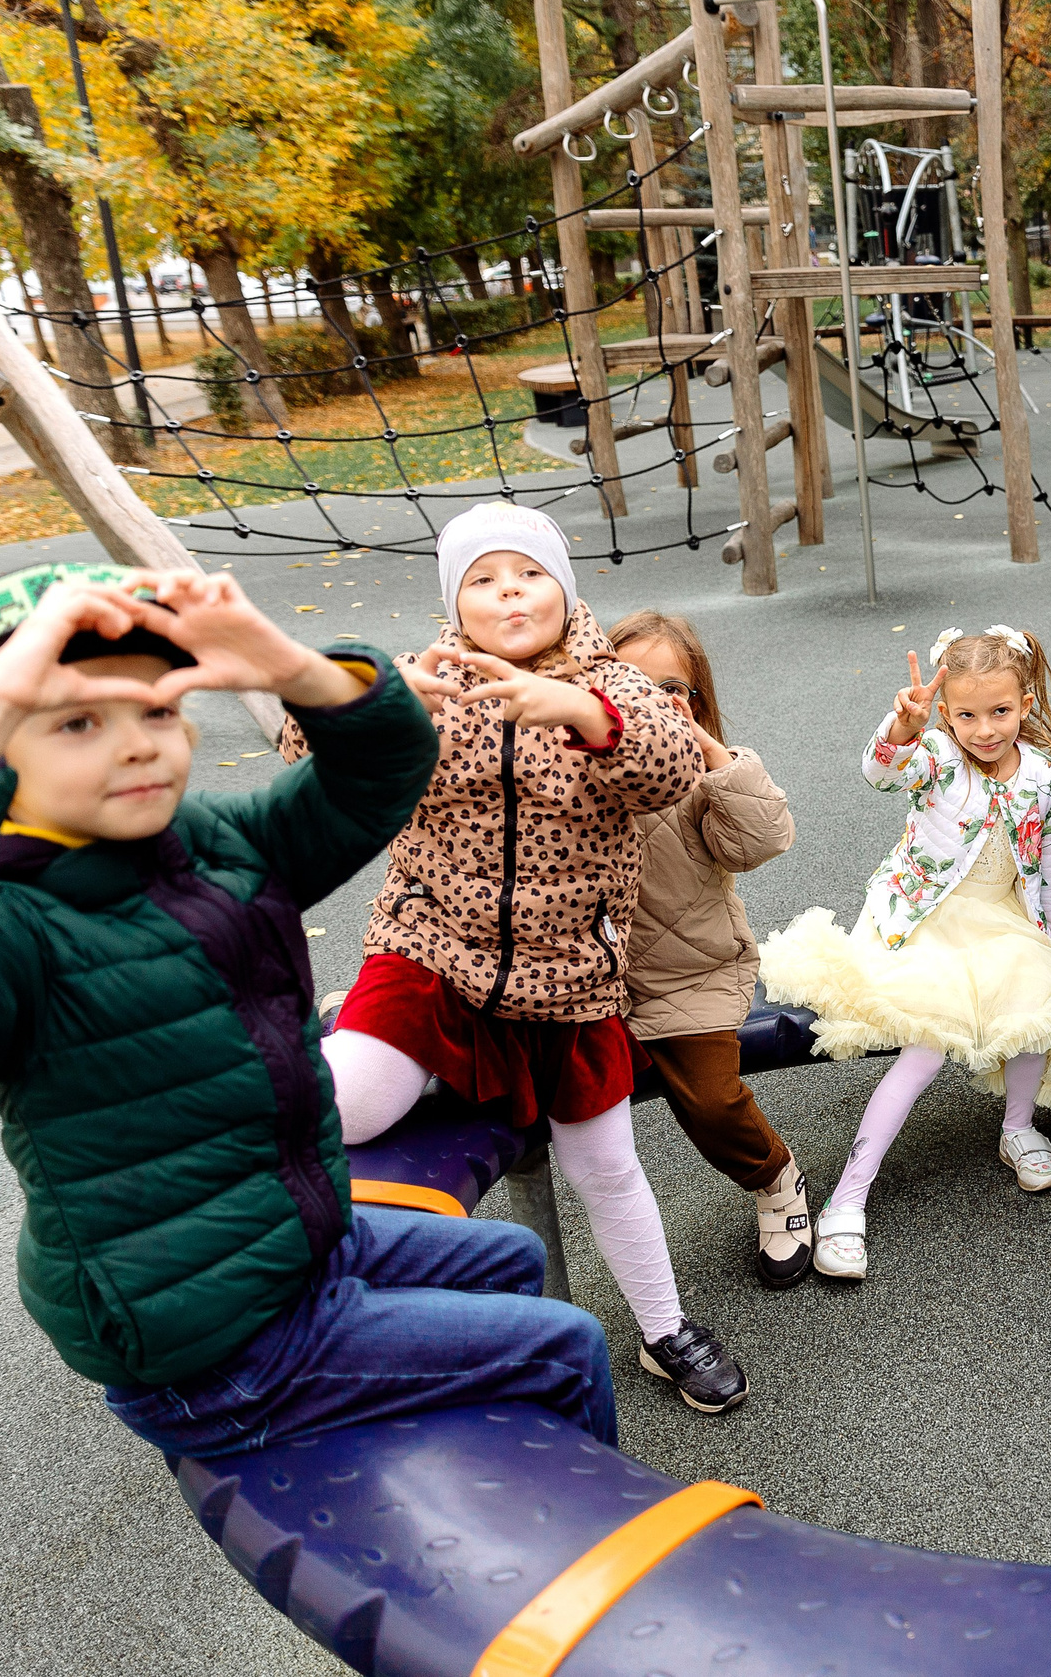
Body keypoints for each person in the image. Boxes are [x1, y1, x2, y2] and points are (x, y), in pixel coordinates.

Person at [0, 562, 614, 1456]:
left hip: (290, 1241)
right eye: (77, 720)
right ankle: (552, 1557)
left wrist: (284, 663)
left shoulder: (212, 849)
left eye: (157, 709)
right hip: (209, 1339)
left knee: (513, 1259)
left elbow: (378, 772)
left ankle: (476, 1454)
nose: (138, 744)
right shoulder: (4, 930)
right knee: (567, 1347)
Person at [308, 502, 743, 1416]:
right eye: (483, 578)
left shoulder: (615, 682)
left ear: (564, 589)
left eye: (530, 573)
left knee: (607, 1167)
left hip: (568, 980)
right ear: (454, 605)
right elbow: (304, 745)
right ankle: (356, 1056)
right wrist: (370, 701)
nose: (510, 590)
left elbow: (668, 765)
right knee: (347, 1105)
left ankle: (664, 1328)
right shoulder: (431, 679)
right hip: (431, 951)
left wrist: (578, 707)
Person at [758, 625, 1051, 1281]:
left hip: (999, 920)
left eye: (1000, 711)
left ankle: (1017, 1127)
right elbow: (881, 771)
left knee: (1032, 1002)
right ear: (945, 713)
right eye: (967, 714)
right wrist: (900, 726)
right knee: (925, 1045)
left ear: (1025, 702)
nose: (984, 728)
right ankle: (848, 1196)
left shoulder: (1046, 779)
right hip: (919, 919)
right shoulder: (934, 754)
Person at [610, 609, 812, 1290]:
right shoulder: (569, 764)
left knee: (711, 1099)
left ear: (696, 702)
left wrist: (710, 753)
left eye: (670, 688)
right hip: (590, 981)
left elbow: (762, 840)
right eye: (627, 682)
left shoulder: (702, 774)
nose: (648, 700)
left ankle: (774, 1174)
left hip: (687, 974)